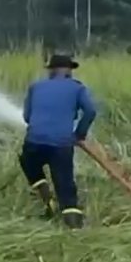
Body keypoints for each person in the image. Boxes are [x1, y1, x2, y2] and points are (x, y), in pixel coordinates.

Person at [20, 53, 97, 229]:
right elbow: (90, 111)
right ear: (68, 70)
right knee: (65, 185)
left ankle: (46, 195)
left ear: (51, 71)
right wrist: (79, 134)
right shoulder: (77, 88)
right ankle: (74, 228)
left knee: (28, 162)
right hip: (61, 145)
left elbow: (26, 117)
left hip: (34, 142)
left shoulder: (36, 87)